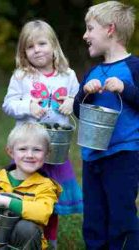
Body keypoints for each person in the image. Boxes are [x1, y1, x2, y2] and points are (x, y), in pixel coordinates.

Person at [2, 19, 83, 248]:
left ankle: (51, 241)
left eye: (42, 43)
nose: (37, 50)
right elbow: (8, 104)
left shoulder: (67, 75)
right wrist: (28, 106)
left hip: (55, 150)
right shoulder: (21, 76)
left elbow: (80, 102)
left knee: (51, 200)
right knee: (25, 196)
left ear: (54, 46)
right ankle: (22, 238)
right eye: (30, 46)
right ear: (23, 52)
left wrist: (71, 101)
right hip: (27, 149)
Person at [73, 1, 139, 249]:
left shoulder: (134, 67)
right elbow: (80, 112)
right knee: (94, 216)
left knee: (121, 215)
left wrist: (126, 89)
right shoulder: (92, 72)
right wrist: (85, 96)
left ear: (110, 29)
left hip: (124, 154)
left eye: (90, 29)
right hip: (92, 156)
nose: (85, 35)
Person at [0, 122, 62, 249]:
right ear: (11, 152)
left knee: (26, 228)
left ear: (47, 154)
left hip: (25, 244)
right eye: (22, 149)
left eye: (37, 149)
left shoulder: (46, 186)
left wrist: (6, 201)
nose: (29, 155)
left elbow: (43, 212)